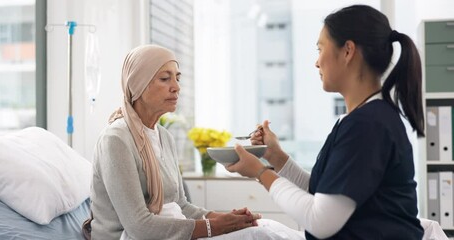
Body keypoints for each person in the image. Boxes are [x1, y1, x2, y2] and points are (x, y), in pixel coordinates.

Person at [227, 4, 425, 240]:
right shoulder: (356, 120)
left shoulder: (368, 125)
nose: (317, 62)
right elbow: (321, 195)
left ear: (348, 51)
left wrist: (260, 172)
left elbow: (321, 221)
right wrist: (275, 157)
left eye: (320, 49)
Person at [88, 45, 263, 240]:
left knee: (263, 230)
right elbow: (139, 227)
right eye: (165, 79)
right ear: (138, 84)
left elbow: (181, 206)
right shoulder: (115, 140)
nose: (176, 87)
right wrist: (216, 227)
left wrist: (228, 220)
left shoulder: (165, 137)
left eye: (177, 78)